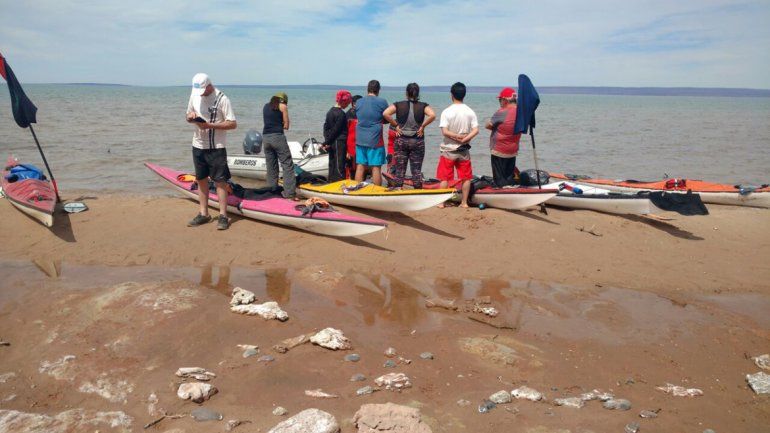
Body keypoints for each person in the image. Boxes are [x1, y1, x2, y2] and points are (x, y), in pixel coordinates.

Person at [185, 73, 237, 230]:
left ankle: (223, 216)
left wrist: (210, 126)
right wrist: (191, 117)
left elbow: (233, 124)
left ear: (209, 85)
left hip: (216, 146)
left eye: (202, 90)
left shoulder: (222, 99)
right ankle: (204, 213)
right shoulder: (194, 94)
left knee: (220, 181)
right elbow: (187, 115)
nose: (200, 94)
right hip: (198, 144)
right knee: (201, 179)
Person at [382, 83, 435, 189]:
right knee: (416, 171)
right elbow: (432, 115)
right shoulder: (423, 105)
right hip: (417, 141)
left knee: (399, 171)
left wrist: (396, 125)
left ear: (406, 93)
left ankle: (398, 192)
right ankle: (418, 195)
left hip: (401, 140)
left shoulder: (399, 104)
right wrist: (423, 126)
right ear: (418, 93)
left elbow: (385, 113)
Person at [437, 82, 478, 208]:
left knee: (444, 177)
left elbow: (444, 131)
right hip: (464, 149)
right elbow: (476, 130)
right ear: (464, 95)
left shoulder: (447, 111)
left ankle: (442, 203)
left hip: (449, 149)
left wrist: (456, 137)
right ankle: (464, 203)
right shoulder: (470, 111)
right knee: (466, 177)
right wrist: (464, 138)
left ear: (452, 95)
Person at [262, 92, 297, 199]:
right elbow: (286, 125)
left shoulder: (265, 106)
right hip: (277, 137)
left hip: (266, 138)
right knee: (287, 165)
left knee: (271, 166)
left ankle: (271, 191)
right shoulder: (283, 106)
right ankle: (289, 193)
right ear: (283, 100)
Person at [354, 80, 389, 185]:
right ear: (378, 90)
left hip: (360, 138)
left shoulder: (359, 102)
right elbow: (387, 118)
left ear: (367, 89)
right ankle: (376, 192)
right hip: (375, 139)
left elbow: (358, 115)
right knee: (376, 167)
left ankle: (357, 190)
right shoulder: (382, 102)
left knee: (360, 166)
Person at [485, 87, 521, 187]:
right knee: (509, 175)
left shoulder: (502, 112)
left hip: (499, 149)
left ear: (505, 100)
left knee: (499, 179)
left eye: (500, 100)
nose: (500, 102)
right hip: (513, 149)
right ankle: (510, 190)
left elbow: (488, 125)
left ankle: (501, 193)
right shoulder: (521, 112)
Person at [322, 90, 352, 182]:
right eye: (347, 103)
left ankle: (331, 181)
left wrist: (327, 140)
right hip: (339, 141)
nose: (348, 105)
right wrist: (326, 142)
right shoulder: (341, 114)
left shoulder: (330, 111)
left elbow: (325, 127)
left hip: (331, 141)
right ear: (342, 101)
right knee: (340, 164)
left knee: (332, 163)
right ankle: (340, 182)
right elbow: (336, 130)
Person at [345, 94, 362, 178]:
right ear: (354, 104)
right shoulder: (356, 114)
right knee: (355, 165)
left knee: (353, 165)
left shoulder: (347, 113)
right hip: (353, 142)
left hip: (352, 141)